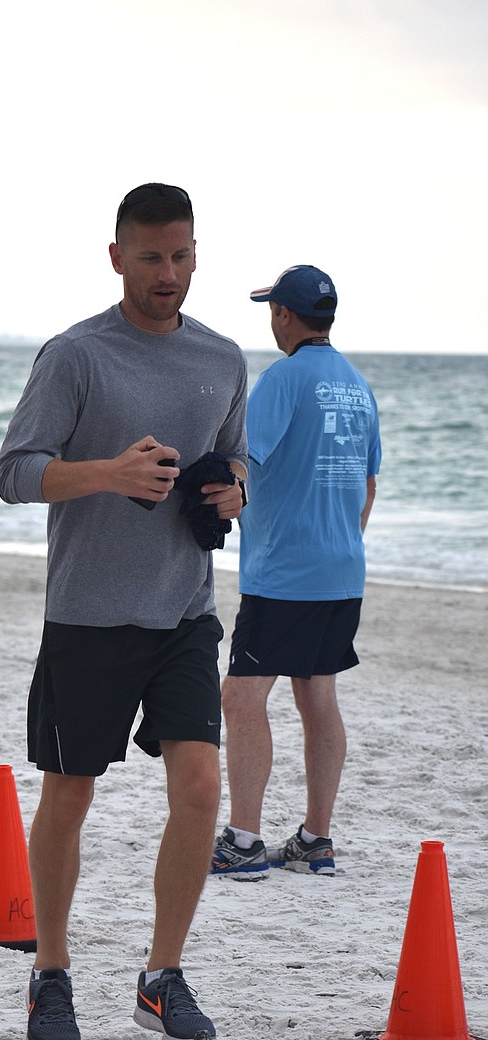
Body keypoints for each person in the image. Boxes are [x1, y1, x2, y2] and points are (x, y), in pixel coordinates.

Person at [0, 183, 248, 1040]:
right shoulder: (76, 356)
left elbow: (238, 454)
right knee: (69, 796)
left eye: (181, 255)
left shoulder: (223, 358)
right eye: (151, 257)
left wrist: (236, 487)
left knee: (202, 788)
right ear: (117, 258)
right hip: (89, 616)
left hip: (185, 611)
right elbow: (16, 471)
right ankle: (50, 973)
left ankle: (160, 976)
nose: (168, 272)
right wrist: (107, 472)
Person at [212, 265, 381, 882]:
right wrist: (339, 544)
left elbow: (240, 463)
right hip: (343, 568)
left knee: (241, 695)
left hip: (285, 572)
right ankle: (316, 840)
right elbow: (367, 486)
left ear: (284, 314)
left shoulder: (282, 379)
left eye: (272, 310)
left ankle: (243, 841)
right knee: (317, 696)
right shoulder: (358, 385)